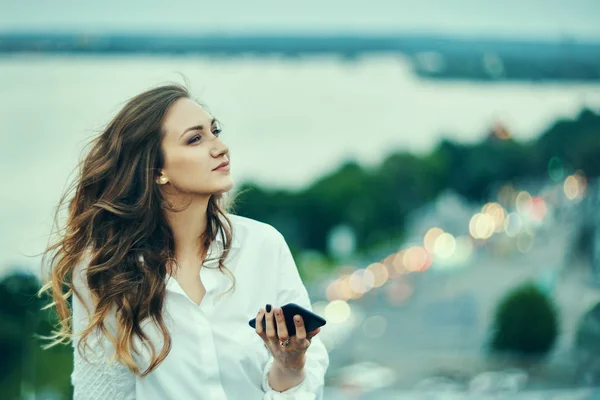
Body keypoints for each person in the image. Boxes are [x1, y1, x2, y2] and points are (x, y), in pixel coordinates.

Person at [39, 83, 329, 399]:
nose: (220, 147)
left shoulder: (264, 245)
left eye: (215, 131)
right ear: (156, 170)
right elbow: (101, 393)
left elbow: (307, 374)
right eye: (195, 139)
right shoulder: (105, 268)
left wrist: (289, 365)